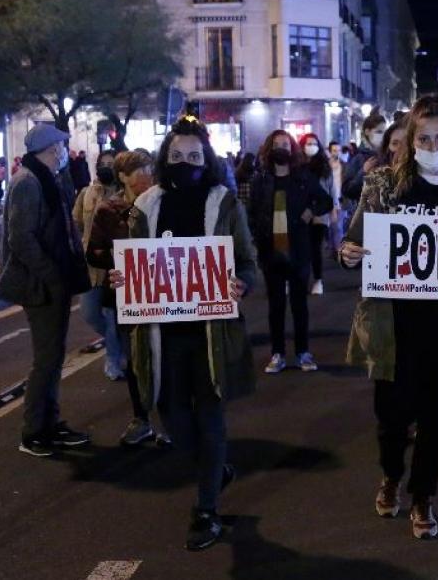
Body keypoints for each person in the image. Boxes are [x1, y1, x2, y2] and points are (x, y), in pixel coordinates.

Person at [339, 94, 438, 540]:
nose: (432, 143)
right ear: (409, 141)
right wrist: (348, 253)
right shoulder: (383, 186)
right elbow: (352, 241)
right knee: (391, 418)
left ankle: (423, 496)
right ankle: (391, 475)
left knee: (433, 419)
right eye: (423, 137)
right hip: (393, 325)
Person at [109, 117, 257, 551]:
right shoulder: (145, 207)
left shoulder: (224, 203)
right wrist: (123, 280)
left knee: (210, 419)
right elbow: (131, 265)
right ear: (164, 159)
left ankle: (206, 509)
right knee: (173, 420)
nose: (185, 163)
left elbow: (248, 263)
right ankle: (216, 470)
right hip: (162, 337)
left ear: (206, 159)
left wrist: (241, 282)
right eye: (176, 156)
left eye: (193, 156)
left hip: (211, 336)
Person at [0, 123, 93, 458]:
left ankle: (49, 423)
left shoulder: (44, 178)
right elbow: (20, 239)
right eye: (62, 146)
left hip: (53, 280)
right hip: (41, 284)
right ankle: (35, 431)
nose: (65, 151)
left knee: (53, 358)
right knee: (47, 359)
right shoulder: (28, 181)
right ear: (53, 149)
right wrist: (51, 274)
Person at [85, 149, 170, 447]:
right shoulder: (110, 210)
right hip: (129, 296)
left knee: (167, 357)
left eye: (148, 169)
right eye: (137, 171)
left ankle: (170, 420)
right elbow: (94, 253)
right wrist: (121, 260)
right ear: (123, 177)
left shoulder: (166, 204)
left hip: (164, 294)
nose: (144, 177)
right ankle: (141, 417)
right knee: (136, 360)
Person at [247, 130, 332, 374]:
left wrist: (309, 212)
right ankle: (278, 354)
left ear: (292, 148)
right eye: (276, 144)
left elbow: (325, 201)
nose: (281, 147)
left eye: (285, 143)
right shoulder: (260, 180)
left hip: (299, 250)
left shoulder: (303, 176)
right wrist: (256, 235)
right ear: (268, 148)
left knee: (299, 304)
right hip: (271, 251)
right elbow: (251, 212)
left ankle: (303, 353)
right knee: (275, 306)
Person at [72, 149, 126, 380]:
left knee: (111, 316)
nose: (106, 166)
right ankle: (122, 342)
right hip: (91, 266)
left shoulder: (125, 196)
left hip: (114, 265)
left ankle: (113, 359)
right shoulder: (86, 193)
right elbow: (77, 223)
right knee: (90, 313)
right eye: (102, 163)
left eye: (110, 163)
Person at [299, 133, 334, 296]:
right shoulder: (297, 166)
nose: (310, 146)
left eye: (313, 143)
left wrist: (333, 210)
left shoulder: (324, 167)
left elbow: (331, 190)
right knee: (302, 248)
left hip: (320, 213)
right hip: (301, 213)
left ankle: (318, 280)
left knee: (315, 248)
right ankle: (302, 280)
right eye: (308, 143)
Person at [342, 112, 389, 205]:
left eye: (385, 132)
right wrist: (363, 171)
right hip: (364, 214)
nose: (383, 136)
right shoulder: (358, 158)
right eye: (379, 132)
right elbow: (347, 191)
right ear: (367, 132)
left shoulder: (388, 155)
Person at [326, 141, 346, 253]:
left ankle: (339, 250)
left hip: (341, 199)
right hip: (328, 199)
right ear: (330, 152)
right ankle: (332, 246)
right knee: (331, 225)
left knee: (339, 226)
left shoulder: (345, 164)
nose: (337, 153)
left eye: (338, 150)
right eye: (334, 150)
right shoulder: (325, 166)